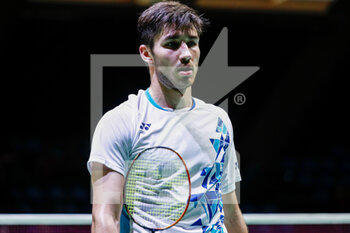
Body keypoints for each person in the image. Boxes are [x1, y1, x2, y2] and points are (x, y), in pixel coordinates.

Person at [87, 1, 248, 232]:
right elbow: (104, 220)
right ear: (147, 54)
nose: (185, 54)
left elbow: (230, 211)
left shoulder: (219, 121)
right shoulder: (122, 121)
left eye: (192, 43)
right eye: (172, 44)